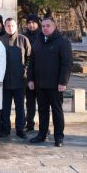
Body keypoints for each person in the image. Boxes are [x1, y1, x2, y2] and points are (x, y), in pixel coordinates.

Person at [28, 17, 72, 147]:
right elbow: (32, 62)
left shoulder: (62, 42)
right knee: (42, 110)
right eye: (43, 26)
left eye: (48, 25)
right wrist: (30, 79)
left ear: (54, 27)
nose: (45, 28)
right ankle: (42, 134)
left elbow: (67, 63)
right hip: (40, 84)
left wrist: (63, 82)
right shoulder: (38, 41)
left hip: (55, 85)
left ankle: (58, 137)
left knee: (57, 111)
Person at [0, 18, 31, 139]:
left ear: (16, 26)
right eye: (8, 26)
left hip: (20, 80)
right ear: (4, 26)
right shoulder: (0, 40)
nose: (10, 28)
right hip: (5, 80)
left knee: (20, 107)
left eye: (12, 25)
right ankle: (5, 129)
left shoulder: (23, 39)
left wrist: (25, 71)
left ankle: (20, 129)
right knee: (5, 107)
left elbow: (29, 58)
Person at [23, 14, 42, 132]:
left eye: (33, 22)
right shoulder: (23, 36)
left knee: (42, 103)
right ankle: (29, 123)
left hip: (40, 74)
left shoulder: (42, 36)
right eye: (29, 22)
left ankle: (43, 125)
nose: (31, 25)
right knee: (29, 102)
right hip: (27, 75)